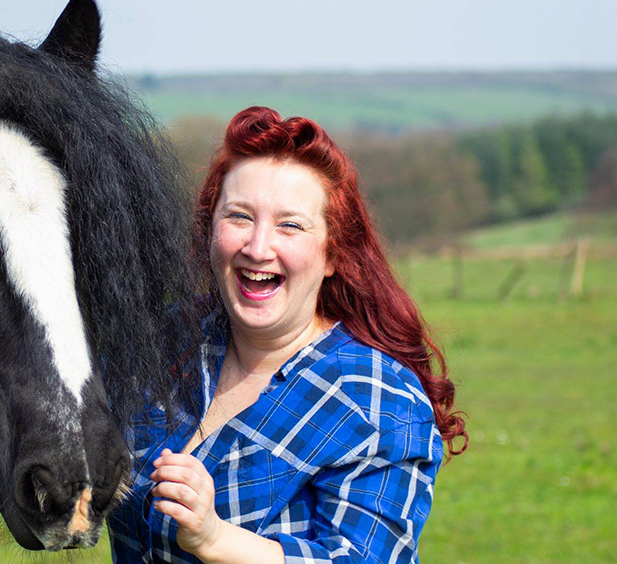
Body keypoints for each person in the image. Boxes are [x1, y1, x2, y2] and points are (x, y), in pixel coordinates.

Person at [108, 106, 467, 564]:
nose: (258, 248)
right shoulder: (160, 344)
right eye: (239, 216)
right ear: (210, 229)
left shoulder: (377, 400)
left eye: (290, 225)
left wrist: (214, 539)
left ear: (334, 252)